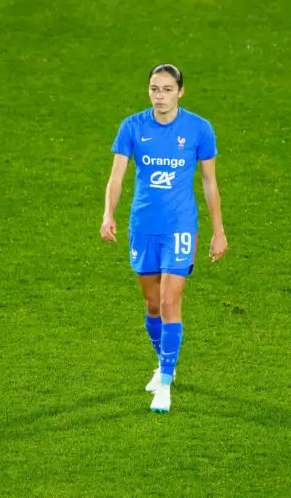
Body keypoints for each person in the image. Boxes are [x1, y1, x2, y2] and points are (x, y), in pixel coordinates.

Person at [100, 63, 227, 413]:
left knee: (171, 302)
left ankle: (166, 384)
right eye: (155, 89)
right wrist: (108, 214)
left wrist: (218, 230)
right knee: (153, 304)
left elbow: (209, 182)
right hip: (143, 226)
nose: (160, 96)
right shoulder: (132, 127)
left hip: (180, 226)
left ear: (180, 92)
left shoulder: (199, 129)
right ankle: (163, 361)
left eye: (168, 89)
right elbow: (116, 177)